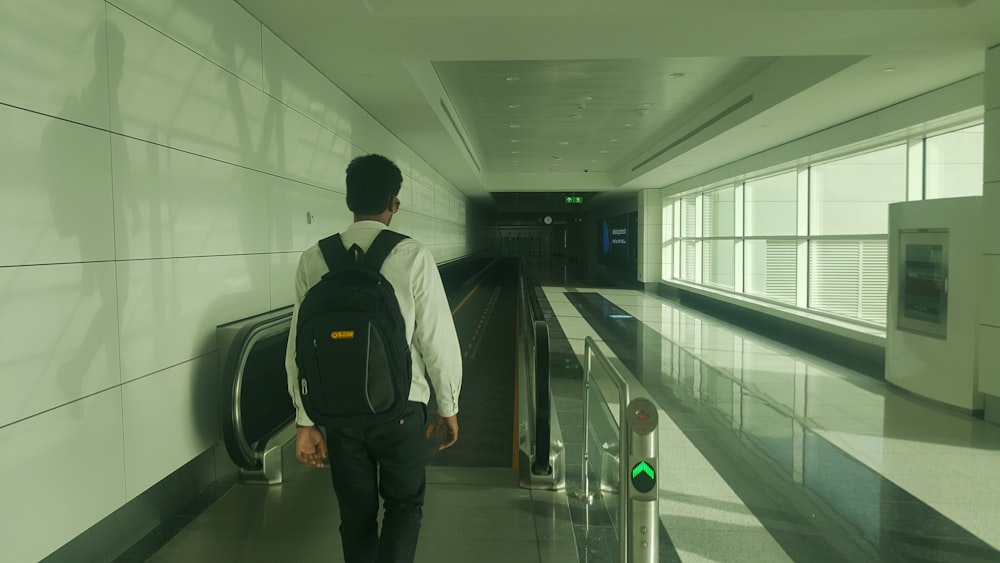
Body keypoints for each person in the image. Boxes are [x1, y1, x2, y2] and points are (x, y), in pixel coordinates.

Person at [284, 154, 463, 563]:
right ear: (393, 203)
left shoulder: (315, 258)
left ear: (349, 200)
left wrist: (304, 420)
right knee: (404, 508)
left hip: (339, 416)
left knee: (355, 516)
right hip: (401, 410)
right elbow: (436, 339)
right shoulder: (413, 256)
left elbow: (298, 346)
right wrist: (448, 405)